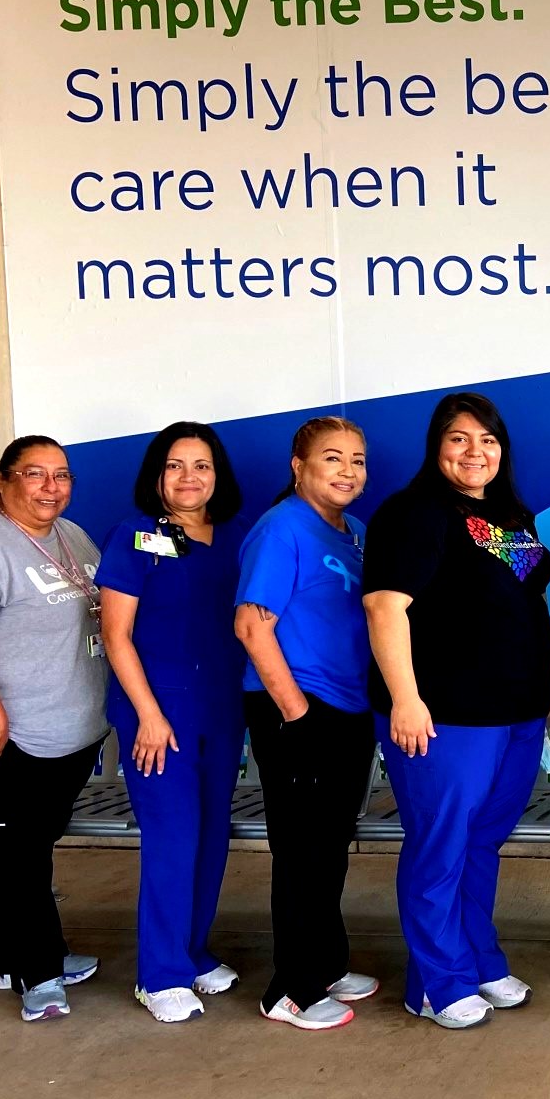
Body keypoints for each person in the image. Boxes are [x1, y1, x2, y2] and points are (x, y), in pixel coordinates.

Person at [363, 393, 550, 1030]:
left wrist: (540, 684)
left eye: (488, 440)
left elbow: (524, 599)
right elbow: (385, 609)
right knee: (440, 846)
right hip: (446, 716)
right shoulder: (413, 513)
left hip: (517, 713)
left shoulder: (508, 516)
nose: (476, 452)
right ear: (436, 447)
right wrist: (406, 699)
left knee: (481, 843)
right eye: (459, 440)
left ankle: (477, 958)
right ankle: (435, 982)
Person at [0, 436, 108, 1021]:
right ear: (3, 479)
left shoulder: (71, 536)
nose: (51, 486)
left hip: (64, 732)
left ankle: (18, 955)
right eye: (35, 474)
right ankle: (39, 977)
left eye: (61, 474)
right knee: (15, 859)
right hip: (1, 736)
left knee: (30, 849)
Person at [96, 422, 249, 1023]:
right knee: (173, 836)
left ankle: (191, 953)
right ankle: (158, 973)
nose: (190, 478)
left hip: (220, 708)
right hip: (158, 715)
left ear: (218, 476)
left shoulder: (235, 537)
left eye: (202, 466)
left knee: (212, 835)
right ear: (156, 475)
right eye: (176, 466)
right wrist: (149, 715)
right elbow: (116, 634)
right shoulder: (134, 536)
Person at [235, 416, 378, 1030]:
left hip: (347, 709)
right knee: (302, 851)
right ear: (299, 466)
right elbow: (251, 625)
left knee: (329, 847)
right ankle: (290, 990)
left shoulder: (357, 532)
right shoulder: (281, 529)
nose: (348, 471)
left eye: (357, 459)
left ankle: (324, 962)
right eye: (332, 458)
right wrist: (297, 713)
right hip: (297, 710)